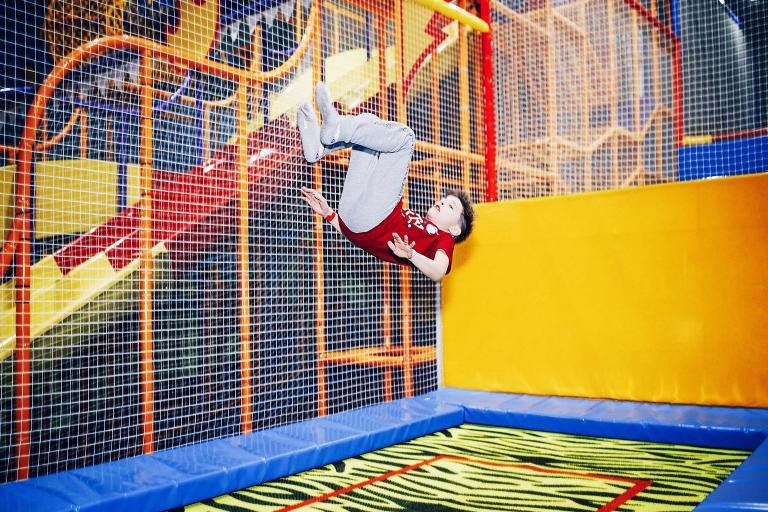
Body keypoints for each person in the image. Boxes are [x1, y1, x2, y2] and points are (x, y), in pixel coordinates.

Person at [298, 83, 474, 282]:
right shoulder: (415, 223)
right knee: (368, 123)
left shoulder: (443, 239)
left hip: (374, 220)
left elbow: (438, 272)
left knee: (406, 139)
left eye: (450, 206)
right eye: (444, 199)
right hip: (352, 220)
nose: (442, 202)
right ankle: (318, 148)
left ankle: (337, 131)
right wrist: (329, 214)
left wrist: (411, 255)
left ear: (455, 229)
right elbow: (363, 237)